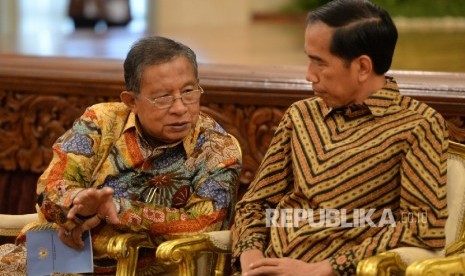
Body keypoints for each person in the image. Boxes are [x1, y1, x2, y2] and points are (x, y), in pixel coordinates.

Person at [232, 0, 448, 275]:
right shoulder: (301, 115)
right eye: (308, 59)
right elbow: (256, 203)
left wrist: (325, 269)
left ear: (362, 67)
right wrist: (250, 258)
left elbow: (424, 224)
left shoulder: (417, 124)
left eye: (319, 63)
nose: (309, 75)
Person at [0, 36, 242, 274]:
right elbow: (50, 188)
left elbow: (202, 225)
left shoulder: (217, 148)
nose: (180, 108)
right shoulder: (100, 122)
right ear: (131, 101)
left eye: (189, 91)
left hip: (141, 267)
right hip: (56, 256)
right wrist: (81, 205)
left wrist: (117, 209)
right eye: (163, 97)